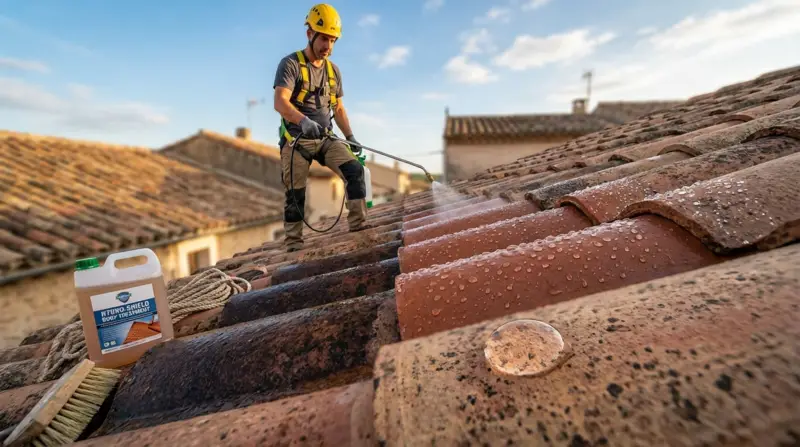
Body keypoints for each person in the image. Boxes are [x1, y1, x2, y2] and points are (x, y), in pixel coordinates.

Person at [273, 3, 371, 253]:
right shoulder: (291, 64)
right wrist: (303, 122)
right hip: (297, 140)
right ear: (310, 34)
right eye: (324, 39)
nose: (328, 46)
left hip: (326, 139)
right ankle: (294, 245)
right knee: (295, 194)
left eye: (333, 40)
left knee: (355, 171)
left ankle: (359, 228)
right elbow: (280, 101)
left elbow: (338, 109)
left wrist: (350, 136)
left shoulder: (333, 71)